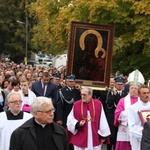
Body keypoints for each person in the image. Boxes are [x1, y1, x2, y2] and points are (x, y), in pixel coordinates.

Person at [114, 69, 145, 150]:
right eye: (132, 88)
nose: (134, 89)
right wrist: (131, 113)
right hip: (125, 130)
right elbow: (117, 115)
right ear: (129, 88)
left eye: (136, 88)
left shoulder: (144, 102)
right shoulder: (123, 100)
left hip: (139, 131)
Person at [106, 76, 128, 150]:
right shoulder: (111, 92)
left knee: (117, 137)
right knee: (111, 136)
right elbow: (109, 103)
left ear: (123, 85)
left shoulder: (126, 94)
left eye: (121, 84)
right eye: (118, 84)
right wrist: (114, 95)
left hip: (121, 118)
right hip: (112, 117)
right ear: (115, 84)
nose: (119, 86)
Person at [128, 85, 150, 150]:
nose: (147, 95)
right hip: (138, 139)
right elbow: (132, 126)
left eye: (148, 93)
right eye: (144, 93)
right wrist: (145, 131)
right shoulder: (132, 108)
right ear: (138, 95)